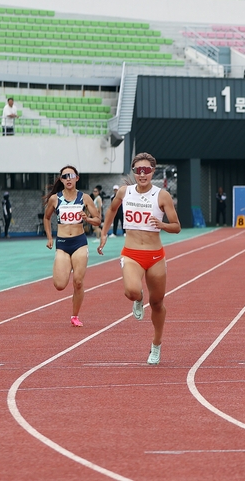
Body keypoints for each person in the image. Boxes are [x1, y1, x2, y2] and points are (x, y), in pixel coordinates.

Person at [98, 153, 181, 364]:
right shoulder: (125, 192)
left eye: (146, 170)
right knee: (131, 291)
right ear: (134, 172)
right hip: (132, 253)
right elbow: (112, 210)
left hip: (155, 256)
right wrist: (105, 232)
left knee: (157, 303)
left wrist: (162, 225)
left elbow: (177, 226)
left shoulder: (162, 196)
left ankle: (156, 344)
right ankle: (138, 297)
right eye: (138, 170)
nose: (142, 174)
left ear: (152, 171)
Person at [44, 166, 101, 328]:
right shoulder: (55, 199)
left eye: (71, 175)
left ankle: (75, 316)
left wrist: (87, 219)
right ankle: (62, 265)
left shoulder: (85, 198)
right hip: (62, 244)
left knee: (78, 282)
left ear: (77, 178)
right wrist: (49, 237)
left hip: (79, 243)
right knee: (60, 285)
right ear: (61, 179)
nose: (68, 179)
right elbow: (47, 218)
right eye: (65, 176)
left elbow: (98, 220)